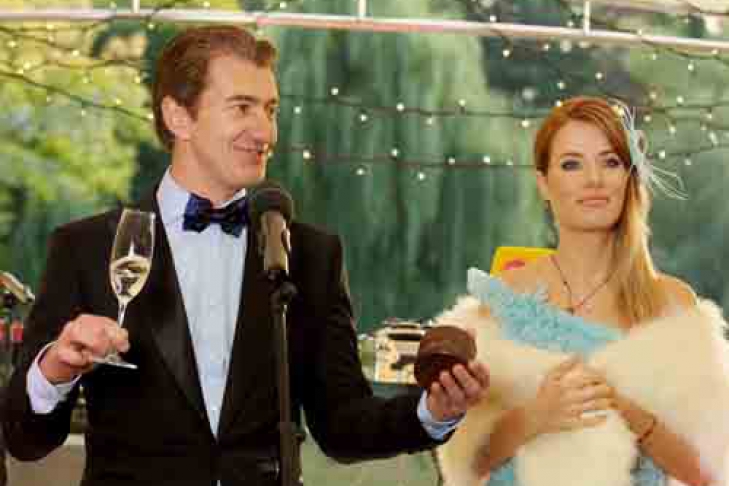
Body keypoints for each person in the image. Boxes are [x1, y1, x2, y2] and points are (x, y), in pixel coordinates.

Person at [1, 26, 489, 486]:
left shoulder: (311, 255)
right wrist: (55, 369)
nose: (266, 132)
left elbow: (343, 426)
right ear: (178, 116)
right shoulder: (85, 248)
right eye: (242, 108)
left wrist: (432, 413)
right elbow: (24, 439)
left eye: (270, 110)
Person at [434, 96, 729, 486]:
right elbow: (467, 464)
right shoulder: (504, 300)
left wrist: (629, 414)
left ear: (628, 177)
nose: (594, 180)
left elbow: (710, 471)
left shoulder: (673, 305)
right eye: (572, 164)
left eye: (610, 162)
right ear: (544, 183)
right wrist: (537, 414)